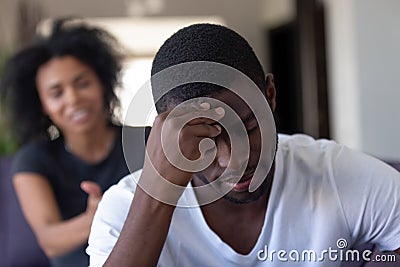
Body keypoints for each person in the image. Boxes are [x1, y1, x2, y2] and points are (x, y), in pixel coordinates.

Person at [87, 23, 400, 266]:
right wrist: (157, 194)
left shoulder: (335, 173)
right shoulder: (125, 208)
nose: (231, 160)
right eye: (205, 142)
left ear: (271, 95)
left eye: (248, 127)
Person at [0, 19, 131, 267]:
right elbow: (49, 239)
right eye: (56, 93)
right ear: (42, 106)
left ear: (103, 84)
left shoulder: (145, 142)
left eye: (83, 84)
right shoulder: (34, 159)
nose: (73, 99)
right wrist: (96, 217)